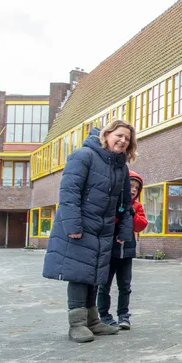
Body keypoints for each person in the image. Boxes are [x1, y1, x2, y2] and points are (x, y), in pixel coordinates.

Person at [42, 121, 136, 343]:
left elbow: (125, 203)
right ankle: (77, 324)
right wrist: (73, 226)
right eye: (119, 135)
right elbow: (68, 192)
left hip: (103, 230)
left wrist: (123, 230)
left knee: (95, 274)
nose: (123, 141)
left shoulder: (120, 167)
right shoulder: (83, 155)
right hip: (81, 227)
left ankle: (93, 321)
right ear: (107, 134)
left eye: (127, 139)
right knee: (78, 274)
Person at [97, 170, 149, 330]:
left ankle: (123, 316)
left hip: (126, 252)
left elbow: (141, 225)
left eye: (136, 188)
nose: (133, 190)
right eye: (130, 186)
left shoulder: (137, 206)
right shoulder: (112, 203)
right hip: (109, 251)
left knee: (125, 286)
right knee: (104, 285)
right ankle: (104, 315)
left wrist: (132, 214)